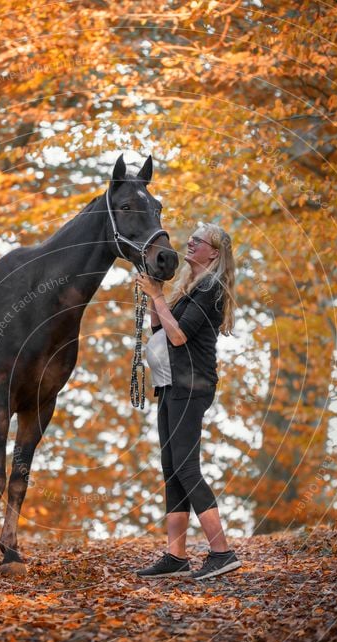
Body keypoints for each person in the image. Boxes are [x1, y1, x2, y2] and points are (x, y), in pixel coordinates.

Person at [135, 223, 242, 580]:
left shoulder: (211, 287)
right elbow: (160, 332)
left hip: (191, 385)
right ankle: (176, 556)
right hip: (171, 384)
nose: (190, 243)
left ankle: (222, 552)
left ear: (214, 252)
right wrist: (156, 295)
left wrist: (159, 297)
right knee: (171, 467)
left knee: (186, 466)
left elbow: (178, 337)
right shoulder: (192, 288)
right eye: (191, 239)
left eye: (198, 241)